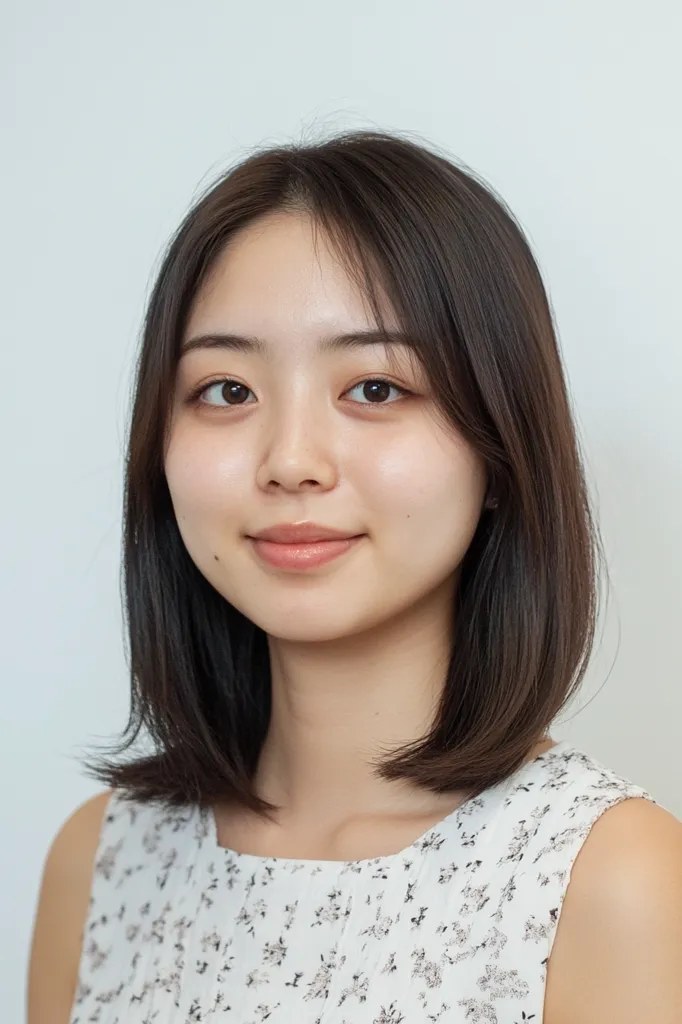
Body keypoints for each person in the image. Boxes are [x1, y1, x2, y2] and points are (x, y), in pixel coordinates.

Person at [27, 128, 682, 1024]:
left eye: (374, 388)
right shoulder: (104, 860)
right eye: (227, 390)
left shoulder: (608, 880)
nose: (291, 460)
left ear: (500, 448)